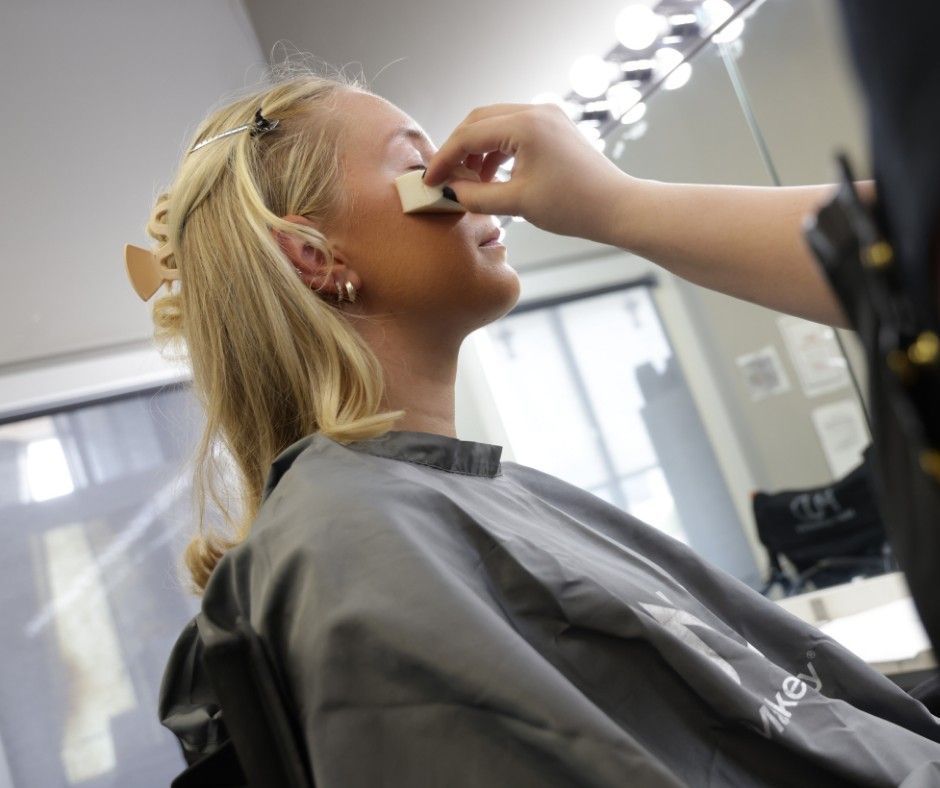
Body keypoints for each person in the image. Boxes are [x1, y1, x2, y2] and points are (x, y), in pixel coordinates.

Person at [149, 66, 940, 786]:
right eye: (416, 162)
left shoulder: (429, 506)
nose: (467, 180)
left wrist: (619, 202)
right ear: (313, 254)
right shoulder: (353, 538)